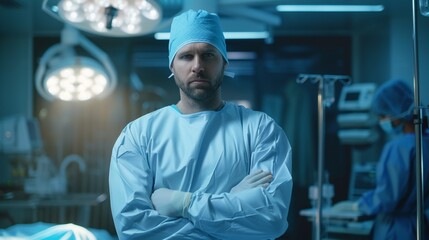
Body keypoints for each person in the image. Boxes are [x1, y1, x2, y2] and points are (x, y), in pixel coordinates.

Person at [109, 9, 293, 240]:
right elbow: (133, 229)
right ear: (172, 66)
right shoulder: (138, 135)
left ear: (224, 62)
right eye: (186, 56)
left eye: (208, 55)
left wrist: (182, 203)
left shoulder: (261, 130)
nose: (198, 66)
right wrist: (233, 202)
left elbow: (270, 218)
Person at [333, 79, 429, 239]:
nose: (381, 121)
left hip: (396, 230)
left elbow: (388, 197)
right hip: (420, 226)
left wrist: (361, 204)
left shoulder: (398, 148)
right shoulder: (425, 142)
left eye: (383, 115)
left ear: (396, 113)